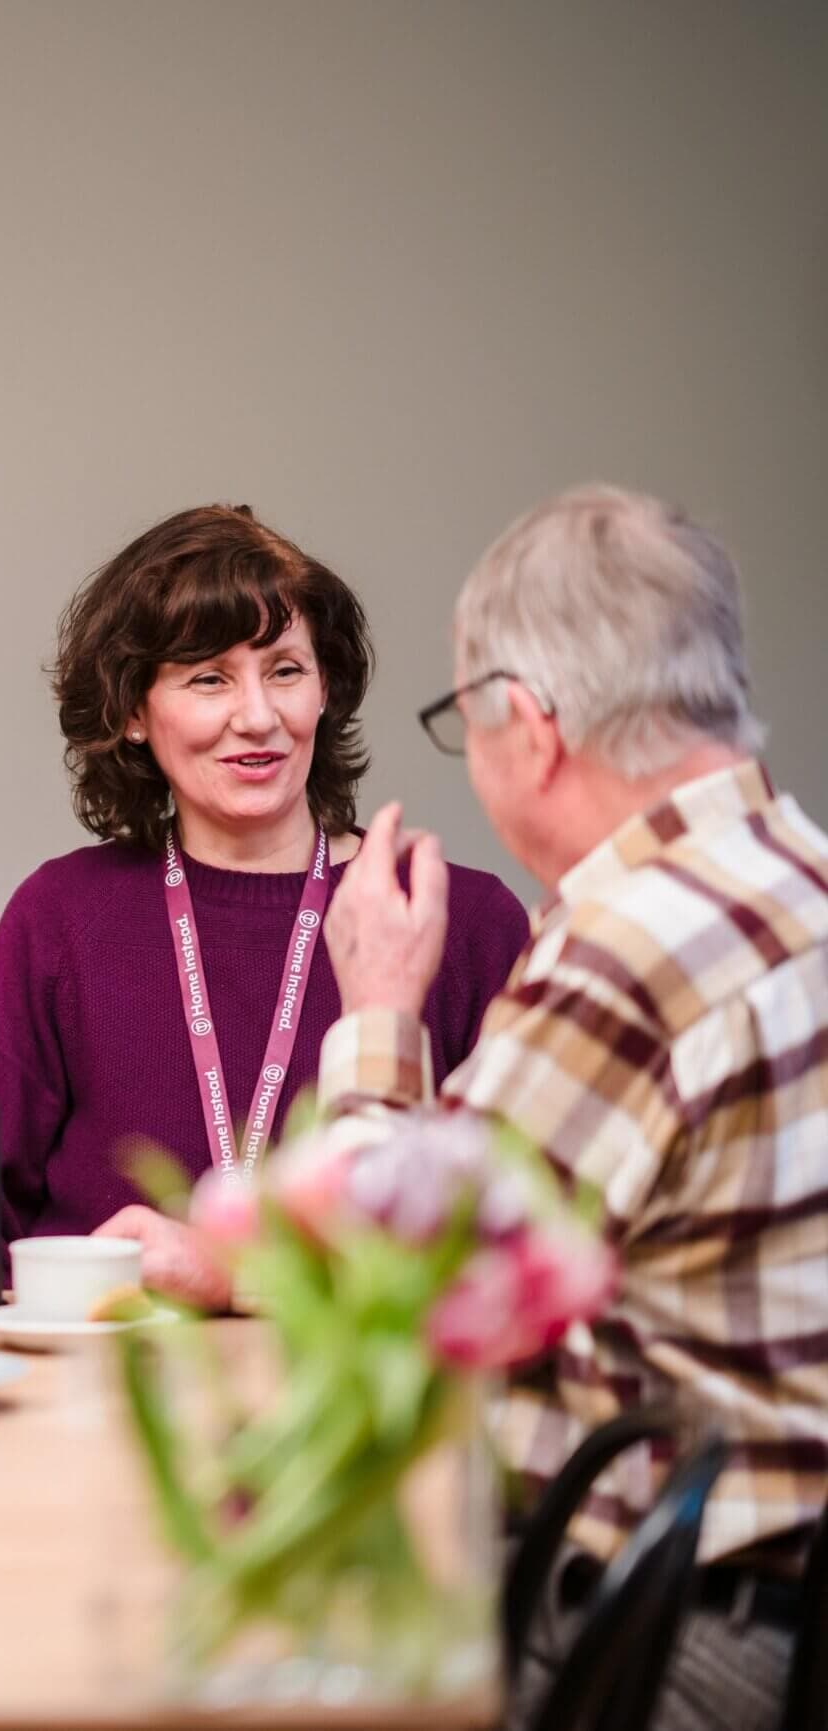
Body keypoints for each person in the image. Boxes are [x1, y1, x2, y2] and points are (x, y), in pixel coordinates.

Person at [314, 485, 828, 1731]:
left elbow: (392, 1297)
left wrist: (379, 1007)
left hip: (661, 1640)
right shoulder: (795, 875)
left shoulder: (631, 948)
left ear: (527, 729)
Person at [0, 505, 528, 1300]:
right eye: (209, 678)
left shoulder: (453, 918)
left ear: (326, 688)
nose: (258, 715)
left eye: (286, 670)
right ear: (132, 713)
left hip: (366, 1412)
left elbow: (518, 1248)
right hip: (85, 1404)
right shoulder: (63, 915)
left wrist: (227, 1270)